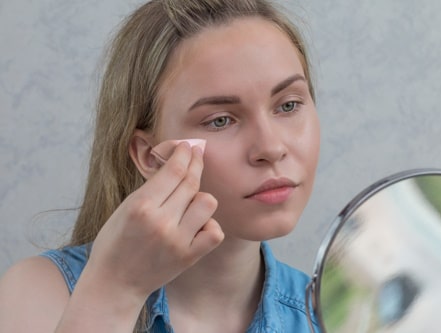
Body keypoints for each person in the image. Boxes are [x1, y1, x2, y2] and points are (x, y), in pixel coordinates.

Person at [0, 0, 321, 332]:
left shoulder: (333, 317)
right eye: (220, 121)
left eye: (289, 105)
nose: (270, 148)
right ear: (150, 156)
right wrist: (116, 291)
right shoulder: (40, 293)